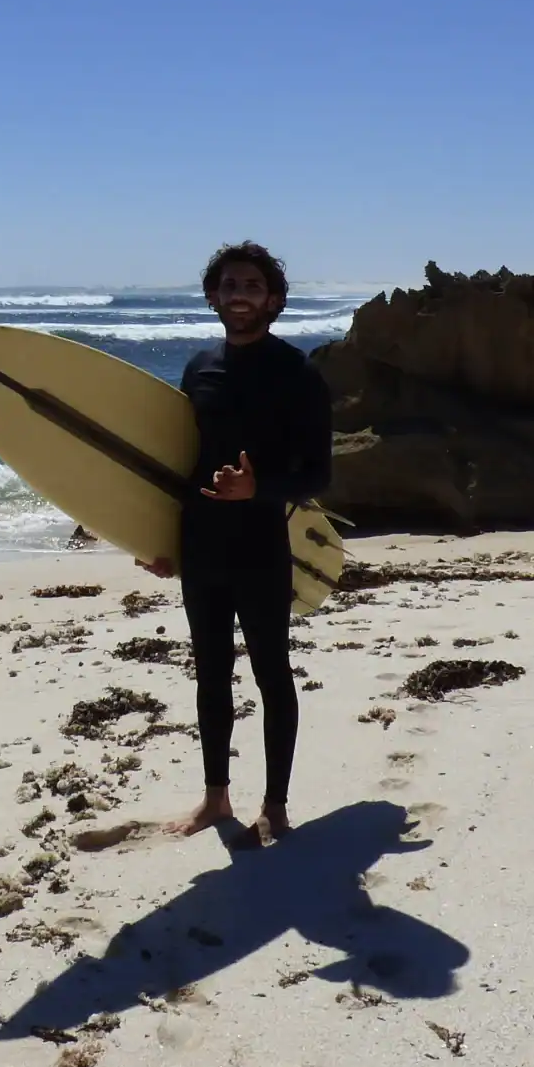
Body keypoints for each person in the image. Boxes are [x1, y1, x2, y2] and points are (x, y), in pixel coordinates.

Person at [142, 241, 333, 844]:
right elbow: (183, 463)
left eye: (251, 286)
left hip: (259, 545)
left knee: (272, 674)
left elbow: (319, 474)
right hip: (201, 545)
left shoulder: (297, 374)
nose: (239, 295)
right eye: (229, 285)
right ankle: (216, 799)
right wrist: (155, 537)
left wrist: (258, 489)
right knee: (209, 675)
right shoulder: (200, 368)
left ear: (273, 299)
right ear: (213, 297)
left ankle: (275, 806)